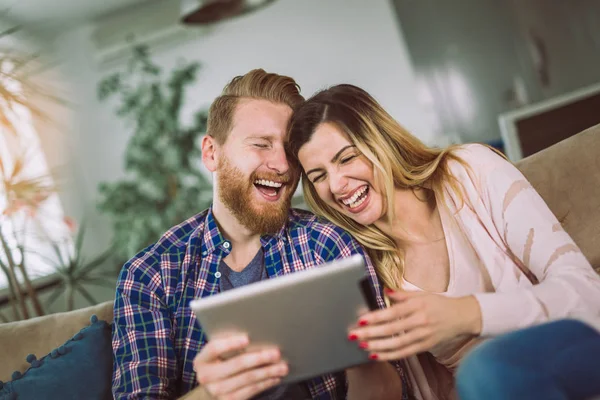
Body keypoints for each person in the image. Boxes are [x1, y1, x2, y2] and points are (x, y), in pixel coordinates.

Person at [287, 83, 600, 400]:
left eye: (346, 158)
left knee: (484, 368)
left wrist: (466, 314)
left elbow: (588, 295)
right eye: (319, 176)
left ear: (379, 140)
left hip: (567, 353)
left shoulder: (469, 172)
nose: (337, 185)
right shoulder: (369, 267)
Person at [111, 71, 407, 400]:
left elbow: (396, 386)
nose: (281, 164)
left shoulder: (326, 244)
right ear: (211, 152)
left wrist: (362, 358)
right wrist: (211, 394)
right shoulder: (151, 275)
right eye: (261, 145)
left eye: (289, 150)